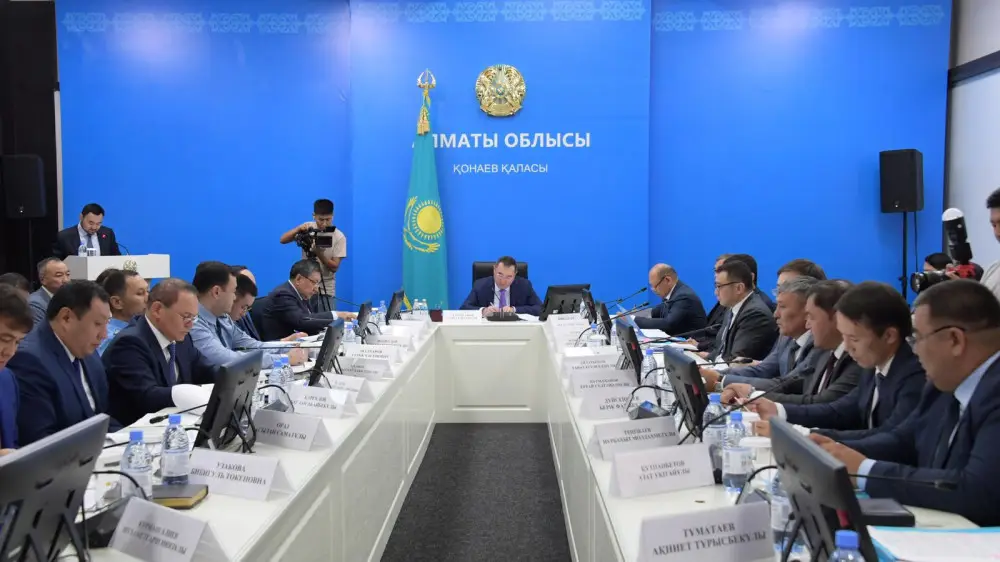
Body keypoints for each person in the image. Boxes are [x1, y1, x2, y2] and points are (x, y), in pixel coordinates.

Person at [813, 280, 1000, 526]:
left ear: (955, 340)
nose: (915, 350)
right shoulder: (943, 384)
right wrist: (831, 449)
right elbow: (904, 439)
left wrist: (865, 470)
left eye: (918, 338)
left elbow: (977, 490)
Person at [752, 281, 925, 441]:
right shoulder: (874, 365)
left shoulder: (913, 378)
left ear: (889, 336)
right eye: (844, 336)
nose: (847, 348)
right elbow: (840, 410)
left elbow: (892, 440)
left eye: (854, 339)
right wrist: (779, 410)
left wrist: (806, 436)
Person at [8, 281, 118, 445]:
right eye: (97, 324)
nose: (104, 335)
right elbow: (40, 440)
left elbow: (102, 416)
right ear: (66, 318)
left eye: (107, 324)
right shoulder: (29, 360)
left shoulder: (88, 352)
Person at [725, 280, 863, 410]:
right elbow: (791, 384)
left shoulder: (856, 361)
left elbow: (823, 404)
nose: (808, 325)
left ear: (838, 318)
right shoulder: (826, 352)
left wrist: (752, 395)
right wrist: (744, 389)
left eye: (812, 317)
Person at [103, 278, 218, 426]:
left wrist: (235, 379)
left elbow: (207, 370)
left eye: (193, 318)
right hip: (137, 431)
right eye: (186, 317)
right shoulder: (129, 343)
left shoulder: (182, 339)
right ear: (157, 310)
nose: (190, 325)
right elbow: (147, 396)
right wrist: (181, 394)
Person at [702, 276, 818, 391]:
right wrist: (715, 374)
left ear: (808, 312)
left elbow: (786, 385)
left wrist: (721, 379)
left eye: (782, 307)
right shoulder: (786, 338)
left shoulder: (818, 345)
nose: (775, 314)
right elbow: (762, 371)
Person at [190, 261, 307, 370]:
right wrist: (283, 359)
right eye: (233, 292)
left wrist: (294, 346)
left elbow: (254, 346)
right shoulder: (194, 323)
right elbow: (227, 358)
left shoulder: (223, 318)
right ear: (216, 292)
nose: (234, 297)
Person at [700, 260, 777, 361]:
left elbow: (736, 359)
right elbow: (721, 350)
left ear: (739, 288)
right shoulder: (732, 307)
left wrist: (706, 367)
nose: (716, 292)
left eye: (719, 286)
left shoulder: (755, 314)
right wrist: (701, 359)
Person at [279, 199, 347, 312]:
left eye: (328, 219)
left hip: (326, 290)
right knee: (304, 319)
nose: (324, 223)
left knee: (327, 320)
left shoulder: (339, 237)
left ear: (333, 216)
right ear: (314, 216)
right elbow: (283, 240)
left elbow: (334, 267)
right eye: (321, 219)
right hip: (305, 288)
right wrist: (298, 229)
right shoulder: (307, 228)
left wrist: (319, 253)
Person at [259, 260, 354, 341]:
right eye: (314, 282)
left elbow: (310, 319)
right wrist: (336, 317)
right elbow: (302, 321)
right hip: (280, 349)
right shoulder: (282, 294)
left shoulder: (302, 294)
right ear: (299, 279)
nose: (316, 289)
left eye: (318, 283)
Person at [0, 285, 33, 451]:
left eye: (17, 342)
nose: (10, 352)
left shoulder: (7, 380)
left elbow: (11, 445)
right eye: (4, 339)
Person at [634, 264, 707, 335]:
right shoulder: (671, 293)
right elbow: (654, 312)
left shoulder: (684, 296)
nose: (653, 290)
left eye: (655, 286)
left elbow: (668, 323)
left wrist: (635, 320)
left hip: (691, 342)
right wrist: (632, 315)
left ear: (667, 280)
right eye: (651, 286)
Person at [460, 256, 542, 317]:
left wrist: (514, 310)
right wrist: (483, 311)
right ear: (494, 270)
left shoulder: (524, 285)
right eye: (500, 274)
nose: (503, 281)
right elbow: (464, 308)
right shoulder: (480, 285)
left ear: (515, 274)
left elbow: (540, 308)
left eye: (509, 277)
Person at [96, 268, 149, 354]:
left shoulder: (143, 329)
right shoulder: (111, 339)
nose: (148, 298)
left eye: (148, 291)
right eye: (140, 293)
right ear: (117, 302)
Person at [52, 202, 121, 259]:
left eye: (98, 223)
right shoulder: (64, 237)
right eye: (91, 223)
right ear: (81, 217)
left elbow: (117, 258)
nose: (94, 227)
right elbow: (56, 262)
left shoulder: (108, 234)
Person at [27, 258, 71, 326]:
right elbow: (40, 332)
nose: (66, 280)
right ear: (43, 280)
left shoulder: (69, 298)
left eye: (67, 274)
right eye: (59, 275)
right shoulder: (35, 304)